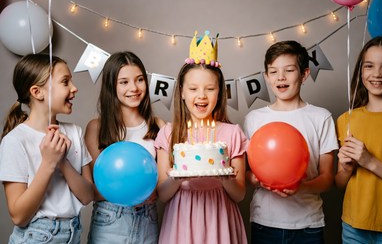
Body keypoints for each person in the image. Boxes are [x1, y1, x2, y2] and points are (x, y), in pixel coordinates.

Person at [155, 32, 248, 243]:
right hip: (181, 220)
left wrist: (225, 177)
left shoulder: (233, 133)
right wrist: (177, 177)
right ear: (182, 92)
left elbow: (239, 194)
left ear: (220, 93)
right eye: (193, 88)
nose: (202, 96)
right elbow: (162, 194)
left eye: (210, 89)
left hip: (220, 219)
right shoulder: (168, 133)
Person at [244, 40, 338, 244]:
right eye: (273, 71)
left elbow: (327, 177)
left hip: (308, 225)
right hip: (264, 222)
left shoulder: (321, 117)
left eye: (289, 70)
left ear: (304, 74)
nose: (281, 77)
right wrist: (257, 180)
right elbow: (246, 173)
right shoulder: (253, 118)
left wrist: (300, 187)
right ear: (267, 77)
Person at [0, 54, 94, 243]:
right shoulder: (15, 140)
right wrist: (49, 163)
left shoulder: (75, 132)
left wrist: (63, 163)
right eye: (65, 82)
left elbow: (87, 196)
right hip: (36, 236)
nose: (74, 88)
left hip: (73, 233)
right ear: (37, 92)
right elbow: (19, 216)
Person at [85, 51, 165, 244]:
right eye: (124, 82)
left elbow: (164, 182)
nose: (134, 88)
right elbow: (93, 190)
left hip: (147, 219)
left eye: (139, 80)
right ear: (111, 86)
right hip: (110, 220)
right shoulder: (97, 128)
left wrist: (155, 191)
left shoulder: (159, 126)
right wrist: (129, 193)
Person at [335, 35, 382, 243]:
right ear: (361, 71)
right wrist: (345, 168)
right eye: (369, 66)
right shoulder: (346, 120)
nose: (377, 74)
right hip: (354, 227)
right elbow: (339, 183)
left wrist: (369, 161)